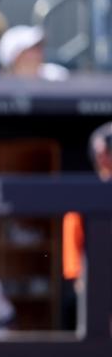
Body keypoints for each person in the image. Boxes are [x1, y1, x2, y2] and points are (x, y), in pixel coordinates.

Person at [62, 121, 112, 329]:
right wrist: (76, 274)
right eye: (103, 151)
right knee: (95, 330)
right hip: (97, 272)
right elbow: (72, 231)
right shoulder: (88, 192)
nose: (105, 155)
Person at [0, 24, 70, 81]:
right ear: (16, 57)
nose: (38, 53)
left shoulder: (56, 77)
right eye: (31, 49)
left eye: (38, 47)